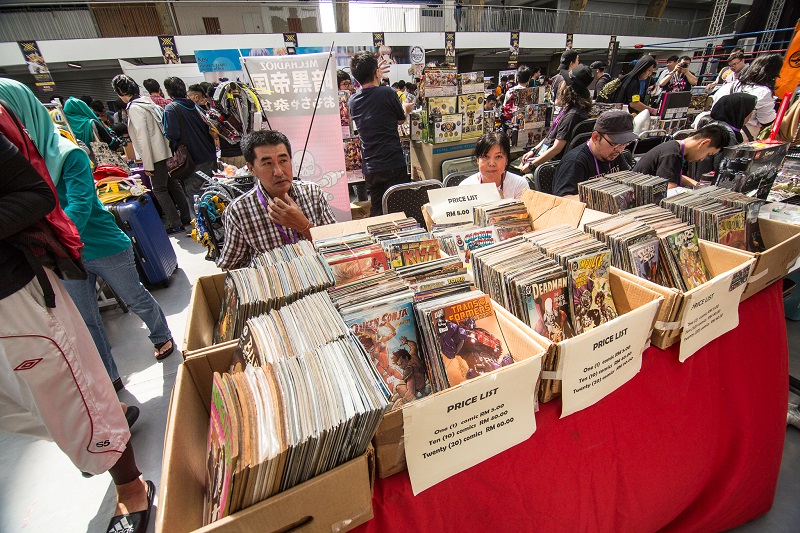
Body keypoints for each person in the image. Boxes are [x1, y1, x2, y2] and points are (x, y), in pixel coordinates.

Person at [0, 105, 154, 533]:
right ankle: (102, 419)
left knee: (133, 305)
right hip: (68, 260)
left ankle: (118, 462)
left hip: (91, 249)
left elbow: (64, 202)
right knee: (84, 341)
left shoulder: (68, 154)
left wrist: (68, 237)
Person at [0, 79, 176, 390]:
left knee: (135, 297)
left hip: (102, 244)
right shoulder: (21, 163)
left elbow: (80, 205)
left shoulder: (69, 153)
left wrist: (53, 239)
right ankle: (110, 376)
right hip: (67, 254)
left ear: (22, 113)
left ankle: (161, 335)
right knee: (87, 319)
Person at [217, 130, 337, 270]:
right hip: (274, 288)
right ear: (251, 169)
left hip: (320, 277)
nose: (279, 172)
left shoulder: (313, 193)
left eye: (283, 161)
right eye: (267, 163)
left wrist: (304, 226)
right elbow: (230, 266)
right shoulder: (239, 211)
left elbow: (337, 246)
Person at [112, 74, 191, 232]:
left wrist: (147, 163)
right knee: (172, 184)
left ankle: (175, 223)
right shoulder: (148, 102)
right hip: (166, 151)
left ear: (120, 90)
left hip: (155, 155)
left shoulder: (135, 108)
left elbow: (142, 138)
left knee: (160, 189)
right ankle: (186, 216)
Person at [348, 51, 410, 217]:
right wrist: (406, 108)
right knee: (399, 208)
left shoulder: (353, 101)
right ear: (376, 72)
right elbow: (400, 119)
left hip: (371, 166)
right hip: (393, 162)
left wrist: (375, 74)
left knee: (377, 209)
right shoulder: (387, 93)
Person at [521, 64, 593, 171]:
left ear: (569, 87)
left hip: (550, 164)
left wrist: (531, 166)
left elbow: (556, 149)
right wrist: (533, 150)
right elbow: (550, 135)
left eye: (565, 81)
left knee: (517, 176)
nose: (561, 83)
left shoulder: (573, 115)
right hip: (544, 155)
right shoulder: (571, 108)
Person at [163, 76, 218, 213]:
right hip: (209, 154)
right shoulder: (196, 106)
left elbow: (172, 134)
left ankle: (204, 229)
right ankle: (216, 224)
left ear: (168, 92)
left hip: (191, 159)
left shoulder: (171, 109)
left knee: (197, 197)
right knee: (212, 192)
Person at [552, 110, 636, 198]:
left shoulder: (615, 153)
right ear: (595, 137)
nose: (619, 150)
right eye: (614, 144)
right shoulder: (575, 162)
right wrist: (599, 197)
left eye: (624, 144)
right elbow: (564, 199)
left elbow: (630, 182)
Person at [711, 52, 783, 140]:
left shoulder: (732, 84)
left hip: (716, 129)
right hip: (742, 134)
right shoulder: (763, 92)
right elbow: (766, 120)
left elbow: (715, 104)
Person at [633, 124, 725, 188]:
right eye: (708, 154)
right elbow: (670, 189)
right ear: (704, 143)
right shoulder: (672, 154)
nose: (702, 159)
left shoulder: (673, 148)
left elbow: (673, 175)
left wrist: (698, 186)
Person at [694, 93, 758, 177]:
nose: (752, 114)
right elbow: (722, 168)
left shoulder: (714, 126)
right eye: (751, 110)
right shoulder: (726, 134)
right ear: (740, 112)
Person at [461, 131, 529, 200]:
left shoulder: (519, 185)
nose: (492, 163)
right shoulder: (465, 187)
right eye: (485, 156)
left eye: (498, 156)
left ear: (507, 160)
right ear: (477, 160)